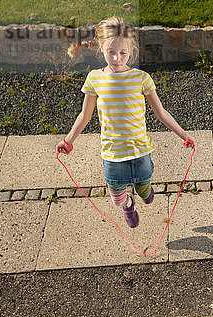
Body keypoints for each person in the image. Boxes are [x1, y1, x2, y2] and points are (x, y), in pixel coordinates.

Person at [56, 16, 195, 228]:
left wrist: (183, 134)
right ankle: (128, 205)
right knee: (117, 197)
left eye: (122, 53)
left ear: (130, 51)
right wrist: (68, 140)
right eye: (111, 52)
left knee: (143, 187)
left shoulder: (141, 78)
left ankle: (144, 190)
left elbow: (161, 112)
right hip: (112, 152)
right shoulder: (95, 79)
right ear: (101, 47)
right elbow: (84, 115)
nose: (117, 58)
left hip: (139, 148)